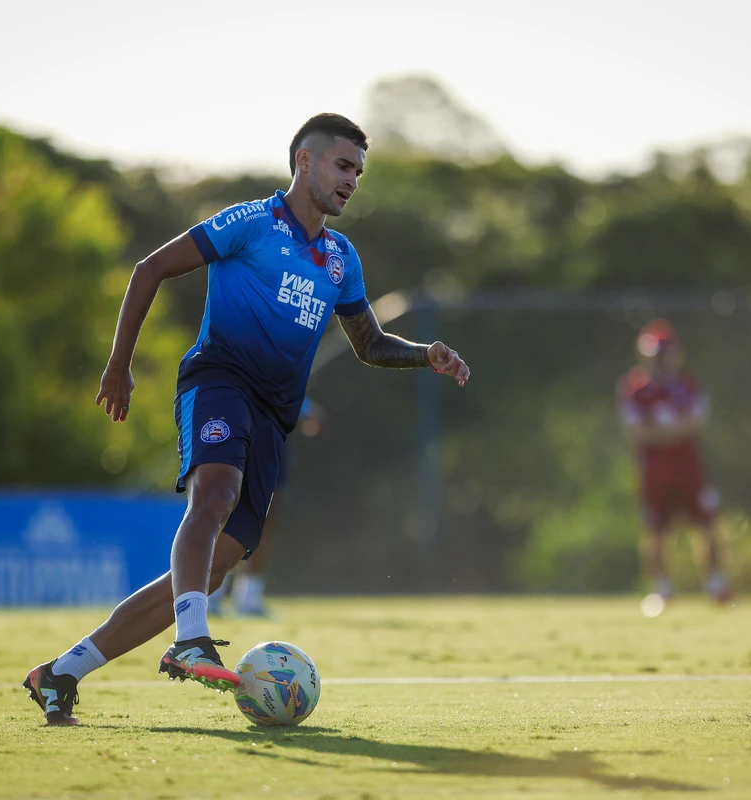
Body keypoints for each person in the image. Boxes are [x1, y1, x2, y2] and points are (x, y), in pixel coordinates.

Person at [23, 113, 470, 725]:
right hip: (218, 379)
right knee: (214, 493)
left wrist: (426, 356)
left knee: (212, 568)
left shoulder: (340, 257)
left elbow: (368, 344)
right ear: (304, 162)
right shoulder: (249, 222)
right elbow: (149, 268)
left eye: (359, 172)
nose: (352, 181)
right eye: (343, 165)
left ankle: (60, 673)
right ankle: (190, 639)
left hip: (274, 417)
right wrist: (118, 365)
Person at [617, 319, 732, 612]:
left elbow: (698, 423)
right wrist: (674, 430)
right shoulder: (635, 388)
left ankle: (717, 584)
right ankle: (662, 589)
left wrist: (660, 430)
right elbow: (635, 431)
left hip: (689, 471)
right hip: (654, 474)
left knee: (708, 527)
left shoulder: (688, 385)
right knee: (655, 533)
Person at [208, 397, 325, 617]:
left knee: (264, 522)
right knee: (225, 517)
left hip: (272, 440)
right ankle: (212, 594)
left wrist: (306, 407)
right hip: (235, 437)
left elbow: (284, 384)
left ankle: (248, 599)